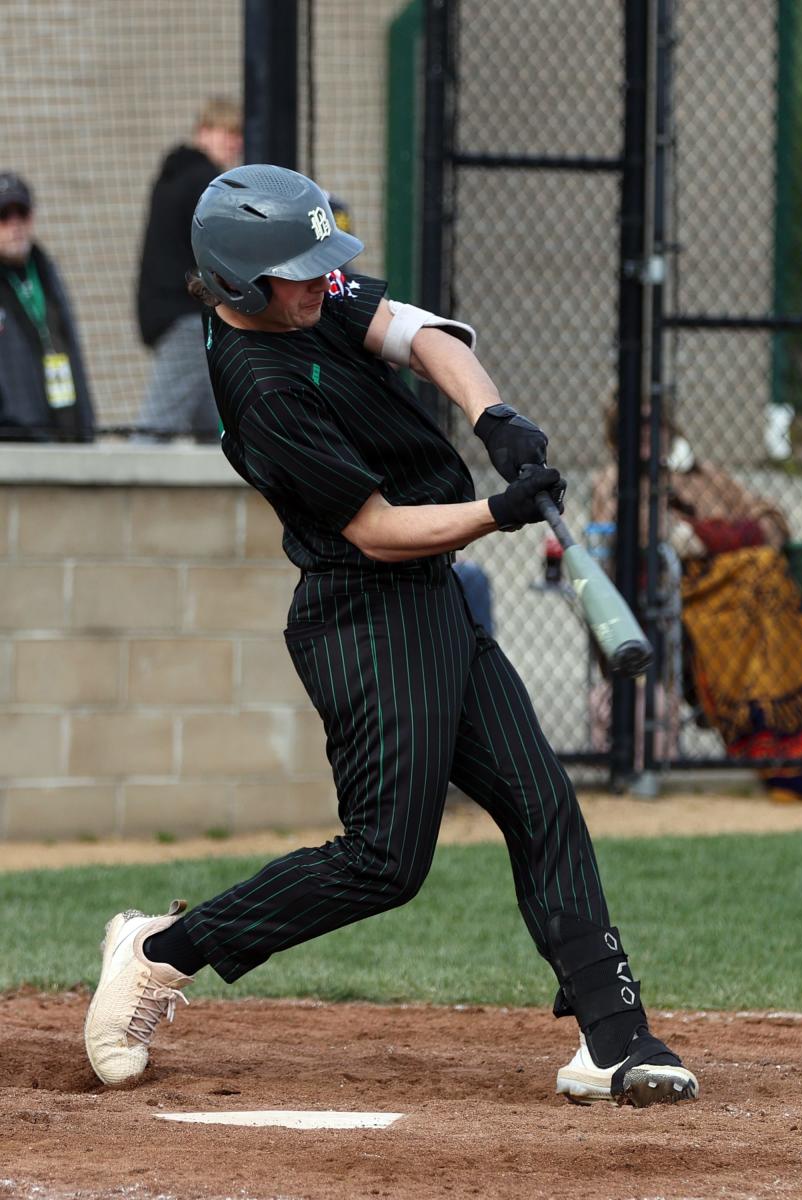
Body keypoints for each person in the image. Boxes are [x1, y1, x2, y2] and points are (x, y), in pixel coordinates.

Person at [83, 165, 699, 1111]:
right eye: (300, 269)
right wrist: (499, 513)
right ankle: (161, 952)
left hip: (429, 597)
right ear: (245, 283)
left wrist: (493, 417)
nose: (321, 280)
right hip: (362, 613)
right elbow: (370, 530)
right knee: (384, 861)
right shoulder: (260, 387)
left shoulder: (304, 298)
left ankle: (616, 1039)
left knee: (541, 799)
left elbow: (417, 333)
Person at [592, 404, 802, 801]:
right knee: (759, 571)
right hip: (683, 596)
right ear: (618, 434)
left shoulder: (706, 476)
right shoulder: (617, 482)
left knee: (767, 574)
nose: (651, 432)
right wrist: (736, 535)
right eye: (639, 425)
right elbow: (647, 540)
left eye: (659, 423)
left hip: (750, 589)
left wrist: (715, 536)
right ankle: (768, 744)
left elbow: (769, 517)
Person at [0, 171, 95, 441]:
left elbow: (70, 346)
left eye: (22, 214)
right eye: (4, 217)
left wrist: (86, 423)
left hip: (65, 424)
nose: (15, 225)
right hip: (14, 438)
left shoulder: (45, 270)